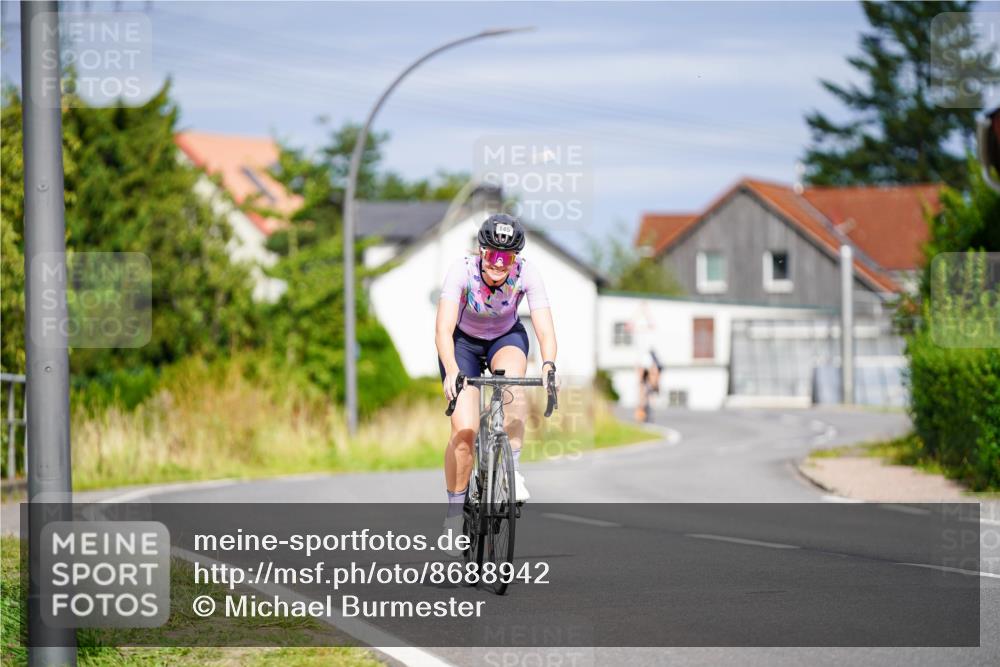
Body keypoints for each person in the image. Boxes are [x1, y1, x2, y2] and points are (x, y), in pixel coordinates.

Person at [435, 213, 557, 547]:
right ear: (481, 251)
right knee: (464, 432)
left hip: (506, 338)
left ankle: (511, 471)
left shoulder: (527, 273)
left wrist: (548, 365)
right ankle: (454, 514)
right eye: (493, 255)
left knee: (514, 387)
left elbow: (544, 327)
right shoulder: (462, 270)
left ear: (516, 258)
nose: (499, 264)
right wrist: (451, 368)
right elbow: (443, 328)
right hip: (463, 344)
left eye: (507, 257)